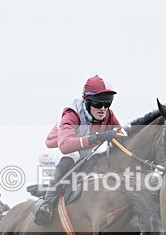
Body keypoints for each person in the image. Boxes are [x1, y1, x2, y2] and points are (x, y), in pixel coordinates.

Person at [33, 75, 123, 225]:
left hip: (82, 152)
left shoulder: (108, 114)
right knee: (72, 155)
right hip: (54, 151)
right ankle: (47, 203)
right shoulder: (72, 114)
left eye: (107, 103)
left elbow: (121, 135)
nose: (103, 108)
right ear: (86, 101)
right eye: (98, 103)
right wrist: (98, 137)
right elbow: (65, 146)